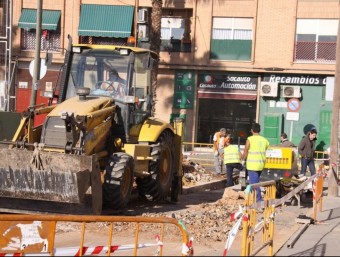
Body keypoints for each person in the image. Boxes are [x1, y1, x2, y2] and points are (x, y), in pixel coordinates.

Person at [242, 123, 269, 202]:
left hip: (252, 165)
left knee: (254, 184)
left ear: (251, 131)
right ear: (260, 130)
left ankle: (258, 200)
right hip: (260, 165)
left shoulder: (250, 139)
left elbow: (246, 150)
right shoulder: (265, 140)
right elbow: (265, 149)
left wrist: (243, 160)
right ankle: (254, 198)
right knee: (256, 182)